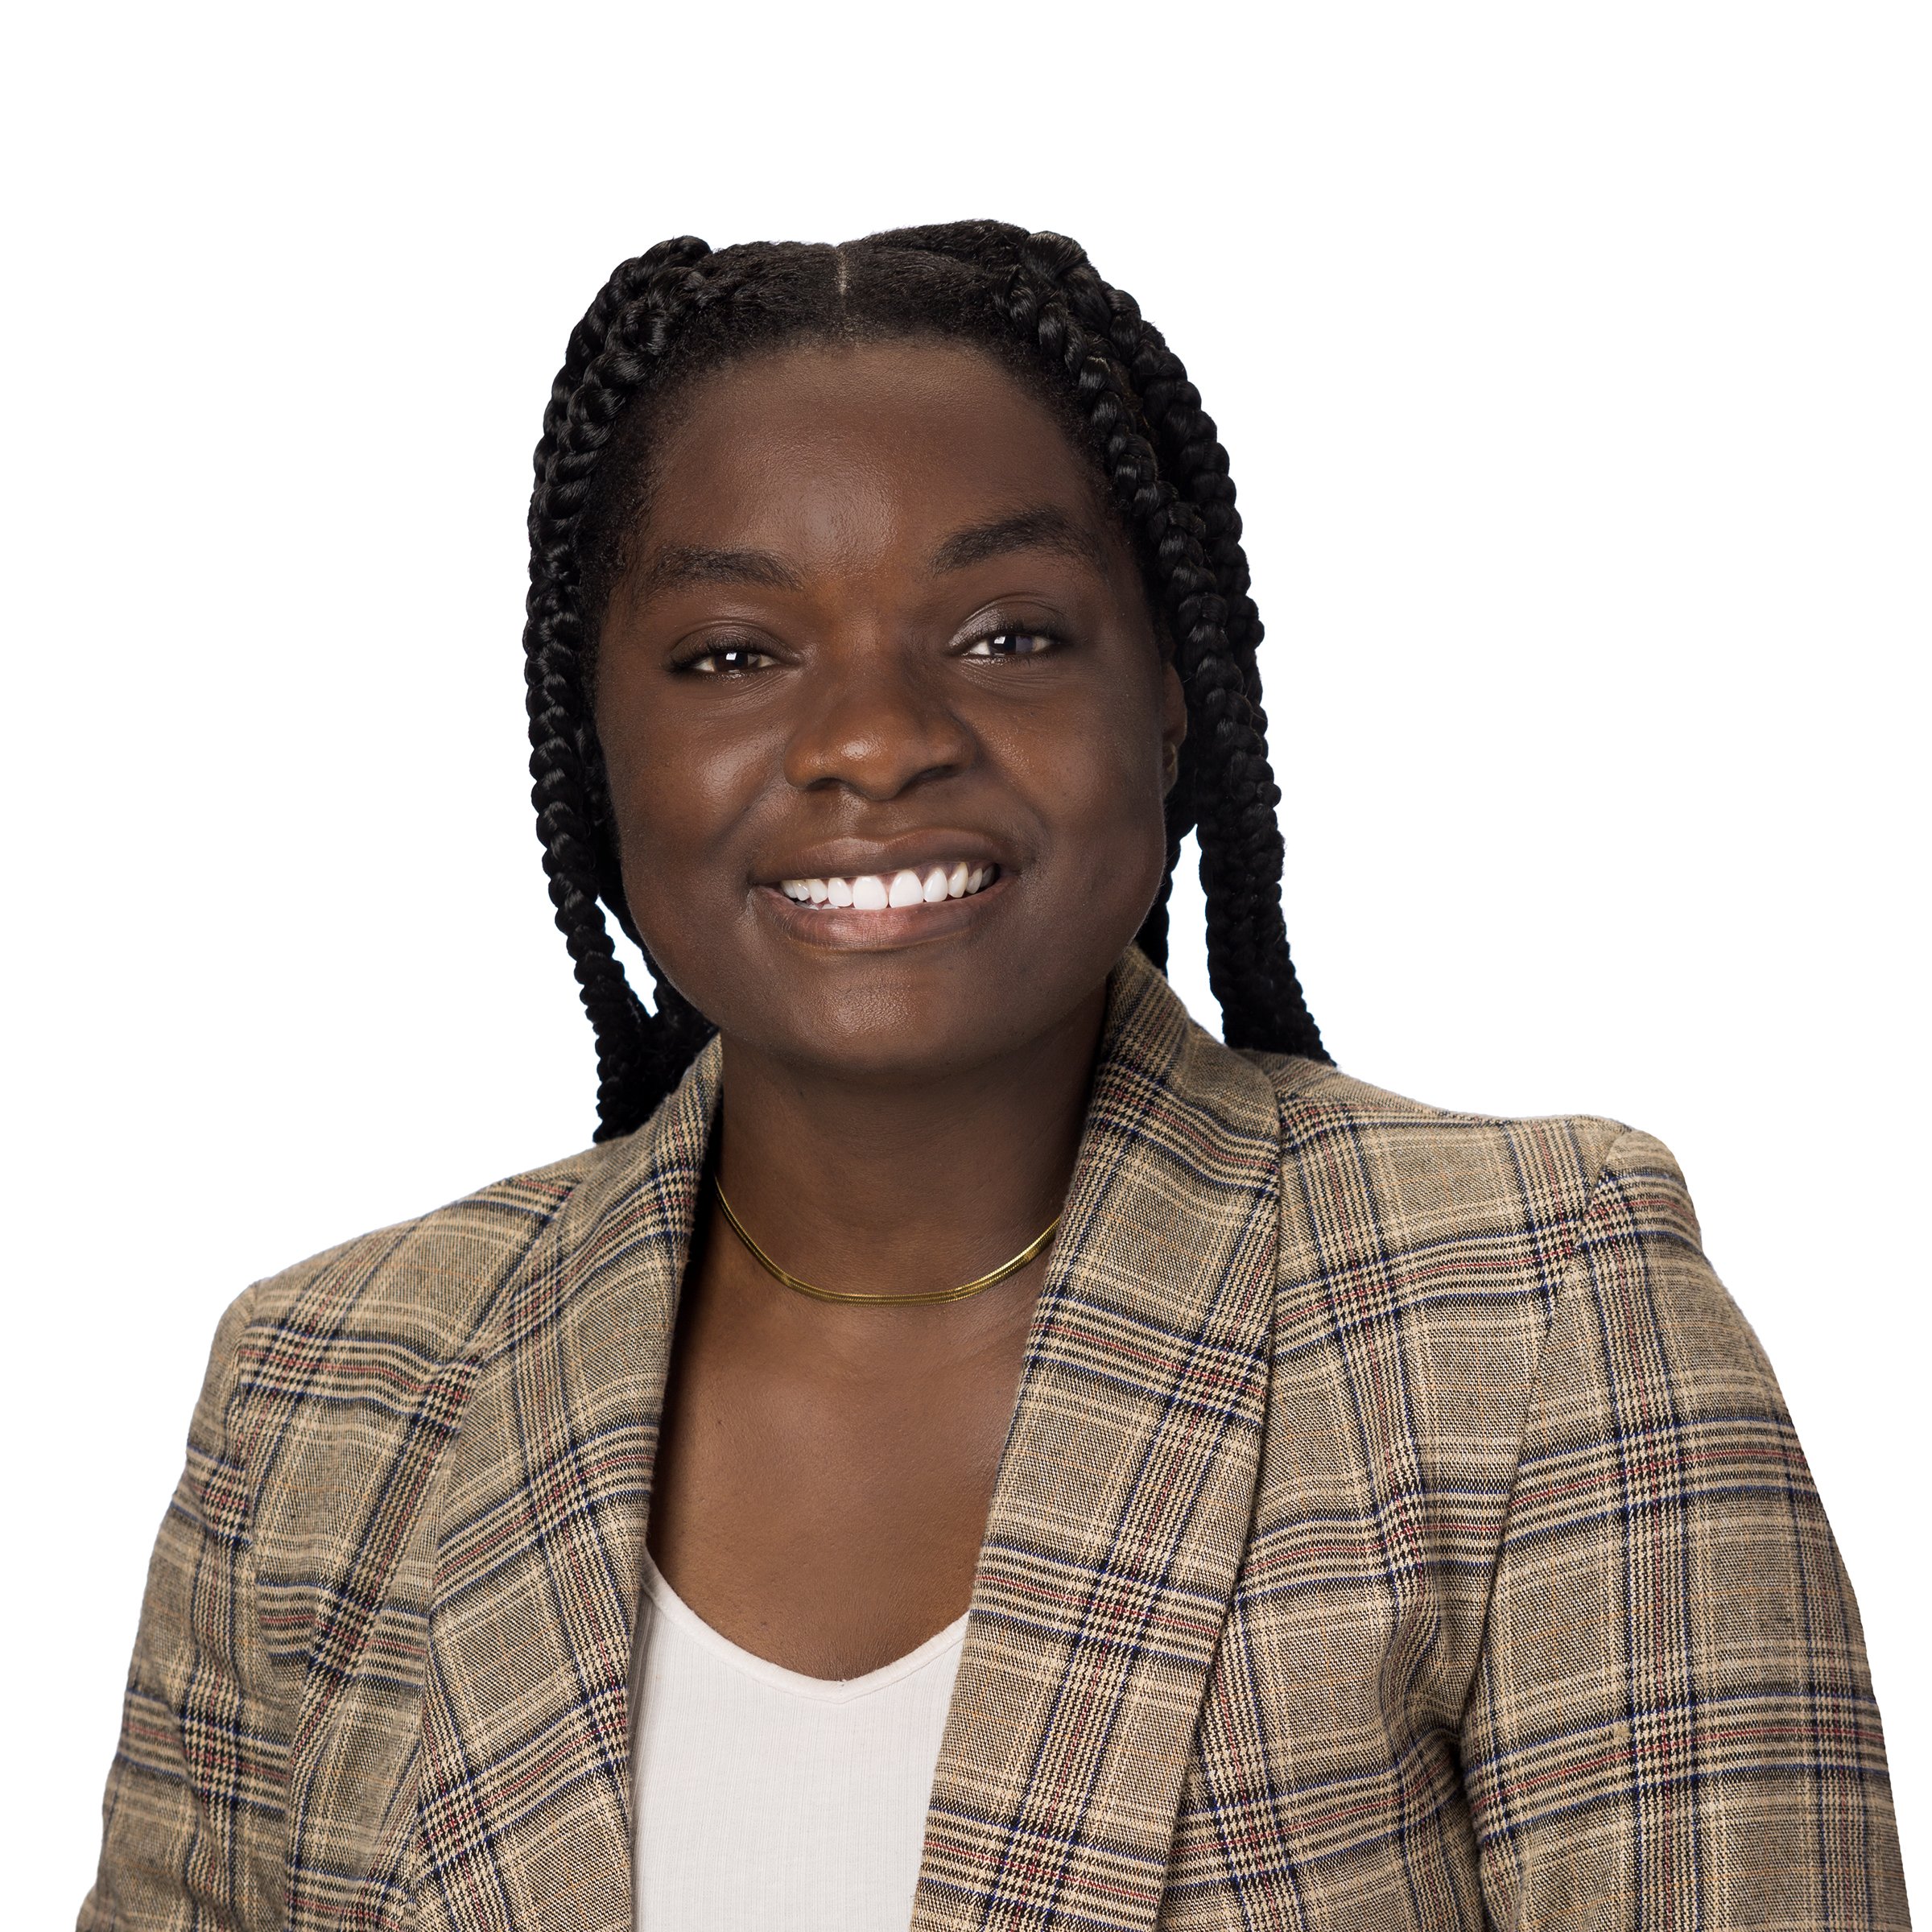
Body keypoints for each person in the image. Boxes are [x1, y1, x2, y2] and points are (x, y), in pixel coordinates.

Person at [82, 225, 1908, 1932]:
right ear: (592, 750)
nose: (874, 738)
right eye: (733, 654)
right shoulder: (324, 1404)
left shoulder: (1531, 1319)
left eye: (1009, 636)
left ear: (1174, 696)